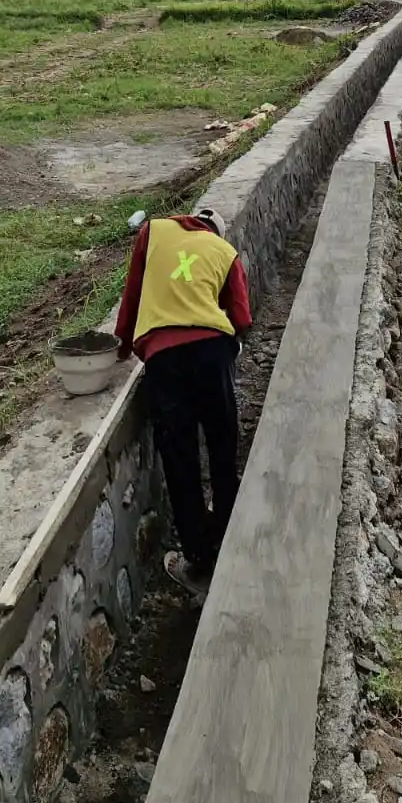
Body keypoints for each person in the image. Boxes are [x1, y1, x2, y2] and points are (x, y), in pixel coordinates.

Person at [114, 204, 251, 600]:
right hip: (213, 352)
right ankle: (229, 537)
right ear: (216, 232)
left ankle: (199, 559)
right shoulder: (224, 253)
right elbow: (240, 316)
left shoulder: (152, 232)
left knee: (180, 458)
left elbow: (133, 296)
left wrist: (123, 347)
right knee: (223, 446)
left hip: (164, 358)